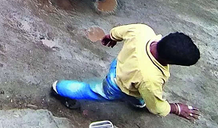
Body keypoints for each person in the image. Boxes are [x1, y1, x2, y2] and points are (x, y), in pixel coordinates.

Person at [52, 24, 201, 121]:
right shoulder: (151, 79)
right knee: (91, 91)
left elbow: (120, 31)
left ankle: (138, 101)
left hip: (120, 66)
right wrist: (176, 108)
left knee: (138, 95)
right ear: (170, 61)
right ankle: (58, 88)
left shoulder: (144, 31)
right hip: (117, 86)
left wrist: (111, 37)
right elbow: (156, 107)